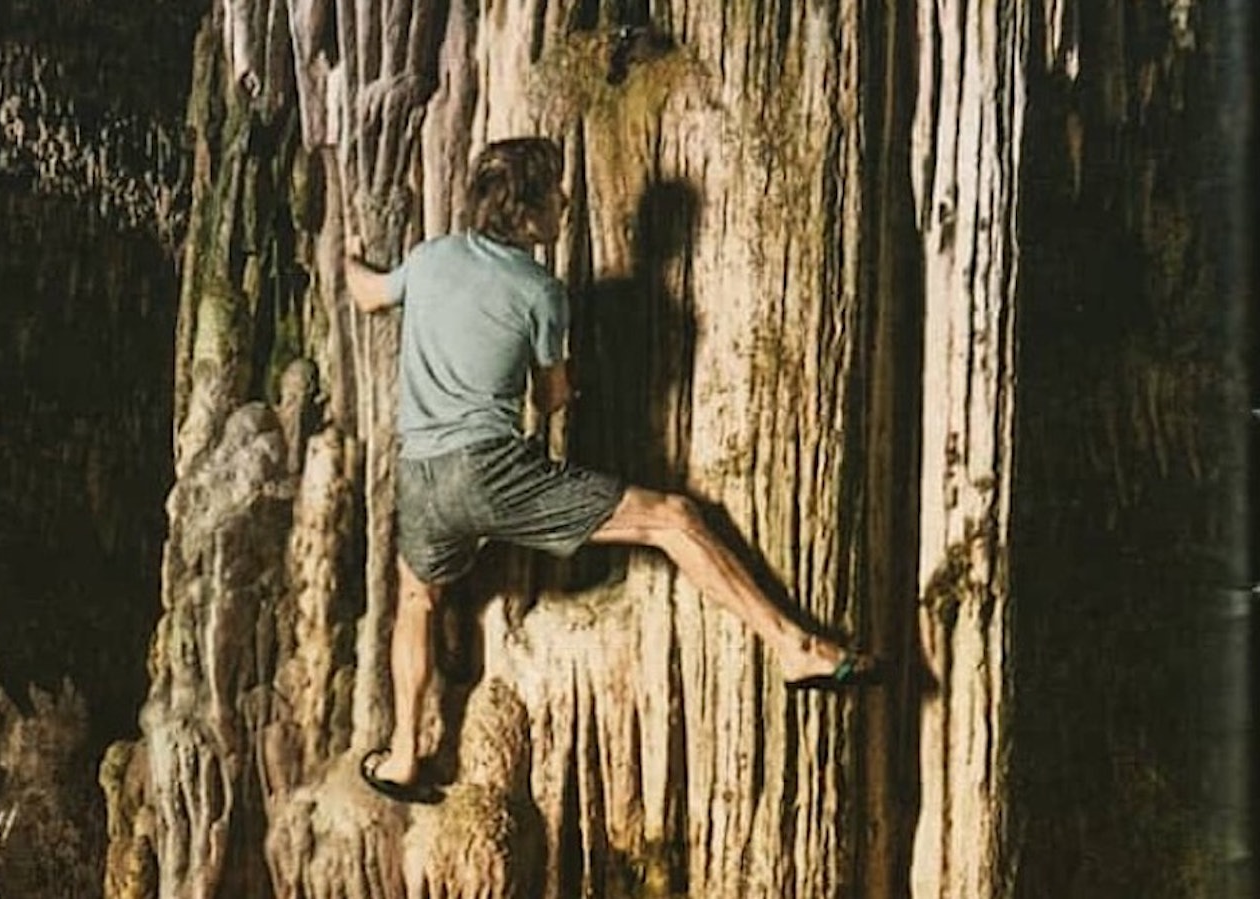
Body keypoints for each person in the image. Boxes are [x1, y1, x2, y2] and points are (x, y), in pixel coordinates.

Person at [344, 137, 881, 803]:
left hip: (421, 476)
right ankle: (792, 643)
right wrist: (577, 374)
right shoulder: (541, 291)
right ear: (526, 211)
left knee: (417, 599)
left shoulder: (429, 259)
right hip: (492, 471)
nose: (566, 201)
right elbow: (550, 398)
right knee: (674, 519)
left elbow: (368, 293)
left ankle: (403, 755)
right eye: (554, 192)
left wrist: (351, 256)